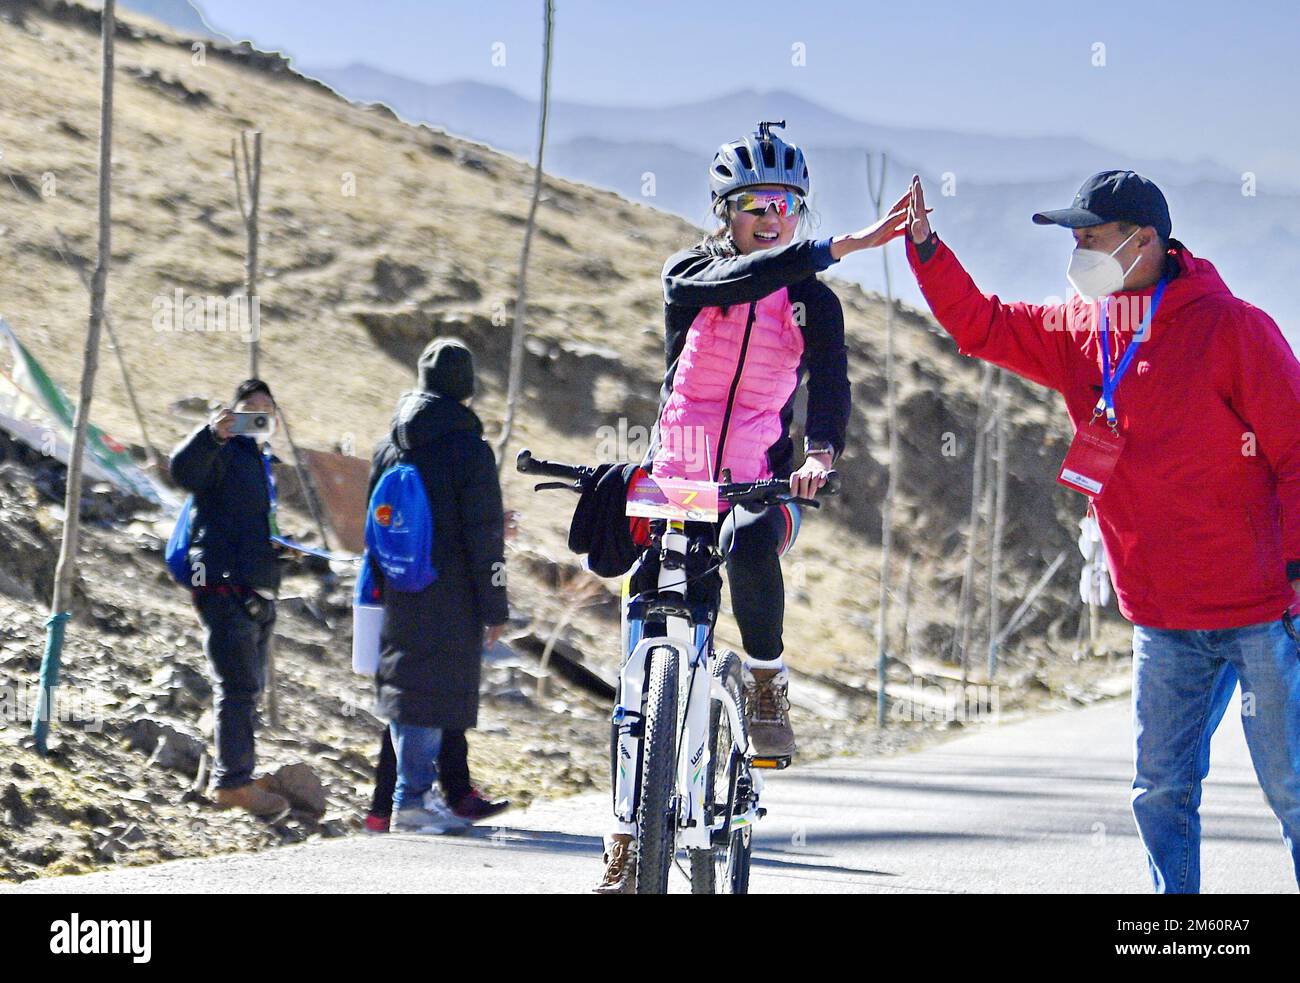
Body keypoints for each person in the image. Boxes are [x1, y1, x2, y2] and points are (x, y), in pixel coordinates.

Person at [901, 169, 1300, 893]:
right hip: (1162, 621)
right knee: (1160, 794)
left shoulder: (1234, 328)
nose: (1076, 250)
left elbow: (1297, 451)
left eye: (1091, 236)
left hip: (1264, 611)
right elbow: (981, 324)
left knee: (1294, 792)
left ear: (1146, 241)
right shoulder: (1077, 330)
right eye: (1073, 237)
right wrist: (927, 249)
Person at [596, 121, 907, 893]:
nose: (772, 219)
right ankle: (628, 836)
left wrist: (819, 456)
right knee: (640, 679)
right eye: (755, 205)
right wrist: (838, 244)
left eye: (786, 205)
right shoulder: (691, 275)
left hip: (760, 484)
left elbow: (831, 390)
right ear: (723, 211)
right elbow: (743, 280)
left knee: (745, 543)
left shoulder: (815, 305)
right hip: (677, 480)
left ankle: (765, 682)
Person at [368, 338, 509, 834]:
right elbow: (483, 535)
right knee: (434, 692)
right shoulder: (469, 450)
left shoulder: (389, 445)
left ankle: (410, 798)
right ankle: (412, 801)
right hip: (452, 591)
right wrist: (496, 607)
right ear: (466, 390)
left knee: (408, 689)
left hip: (400, 583)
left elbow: (374, 522)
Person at [169, 379, 289, 817]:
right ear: (232, 413)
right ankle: (233, 784)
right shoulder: (221, 452)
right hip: (223, 587)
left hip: (255, 587)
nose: (260, 415)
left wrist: (282, 548)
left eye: (267, 409)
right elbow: (181, 471)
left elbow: (249, 525)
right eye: (250, 408)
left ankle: (238, 773)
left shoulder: (261, 462)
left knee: (247, 688)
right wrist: (212, 434)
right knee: (238, 687)